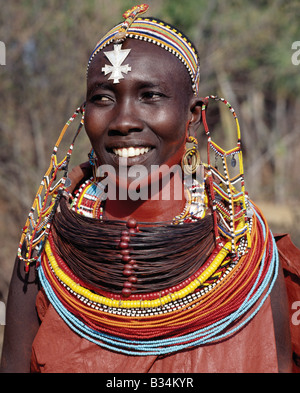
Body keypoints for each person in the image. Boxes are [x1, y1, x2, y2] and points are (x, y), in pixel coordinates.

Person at [1, 4, 299, 373]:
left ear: (192, 116)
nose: (124, 121)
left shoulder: (245, 244)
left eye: (150, 96)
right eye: (103, 98)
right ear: (84, 113)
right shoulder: (46, 245)